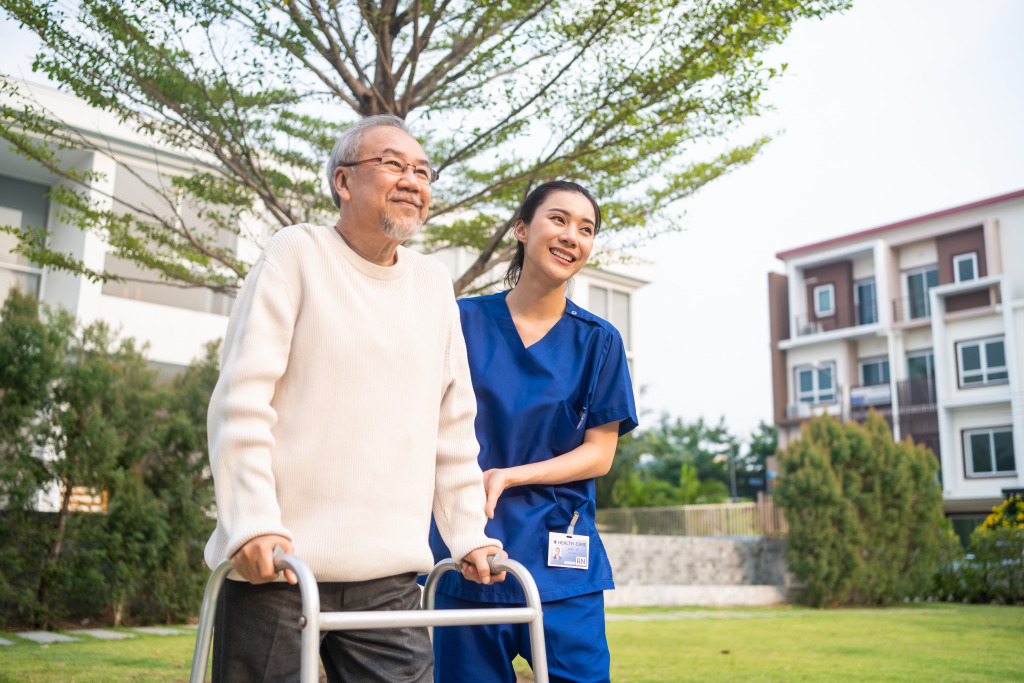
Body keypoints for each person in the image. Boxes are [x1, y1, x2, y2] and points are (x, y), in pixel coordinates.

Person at [204, 114, 504, 683]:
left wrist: (468, 532)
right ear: (343, 182)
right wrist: (251, 524)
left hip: (389, 578)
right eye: (393, 164)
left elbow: (453, 423)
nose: (413, 179)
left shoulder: (433, 284)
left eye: (422, 170)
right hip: (279, 568)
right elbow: (241, 399)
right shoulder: (296, 253)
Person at [428, 181, 638, 683]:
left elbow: (599, 455)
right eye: (559, 219)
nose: (572, 236)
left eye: (586, 229)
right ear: (522, 229)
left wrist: (509, 475)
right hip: (470, 550)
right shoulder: (460, 322)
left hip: (562, 558)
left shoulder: (600, 342)